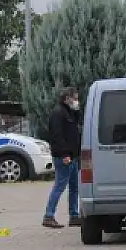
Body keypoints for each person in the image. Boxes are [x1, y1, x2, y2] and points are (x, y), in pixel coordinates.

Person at [43, 87, 81, 229]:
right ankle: (48, 215)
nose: (77, 101)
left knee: (74, 187)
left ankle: (74, 215)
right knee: (60, 186)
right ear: (67, 98)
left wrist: (76, 111)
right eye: (75, 98)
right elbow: (57, 136)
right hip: (64, 156)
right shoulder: (58, 113)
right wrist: (65, 154)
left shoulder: (68, 112)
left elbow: (74, 128)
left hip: (72, 156)